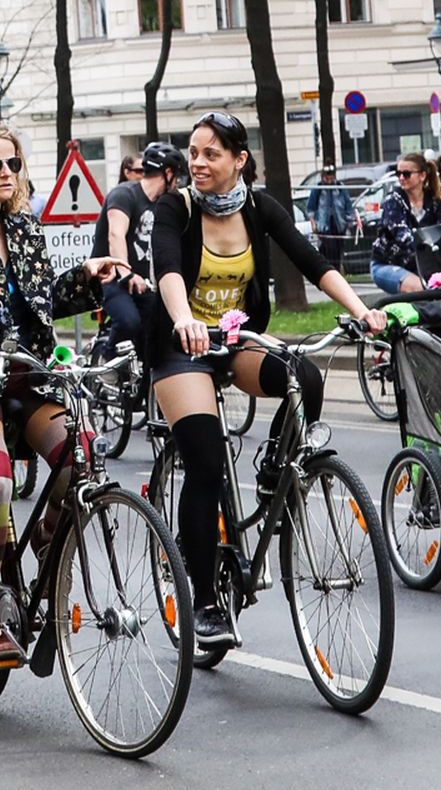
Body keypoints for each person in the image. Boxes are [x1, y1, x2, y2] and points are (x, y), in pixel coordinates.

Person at [152, 111, 387, 647]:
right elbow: (167, 266)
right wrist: (183, 318)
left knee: (305, 377)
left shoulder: (260, 209)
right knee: (207, 461)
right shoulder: (176, 207)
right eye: (194, 152)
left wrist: (361, 312)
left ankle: (275, 469)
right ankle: (206, 602)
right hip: (180, 347)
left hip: (235, 343)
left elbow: (313, 262)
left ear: (240, 161)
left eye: (212, 153)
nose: (198, 162)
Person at [0, 120, 125, 665]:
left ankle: (45, 537)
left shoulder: (27, 227)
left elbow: (40, 301)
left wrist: (86, 275)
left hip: (28, 373)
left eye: (13, 163)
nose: (7, 174)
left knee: (83, 455)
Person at [93, 141, 178, 354]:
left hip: (144, 283)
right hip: (110, 278)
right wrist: (126, 273)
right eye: (178, 176)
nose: (179, 183)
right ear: (167, 174)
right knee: (129, 321)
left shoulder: (163, 204)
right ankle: (108, 363)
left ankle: (145, 384)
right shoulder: (124, 194)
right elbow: (116, 235)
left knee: (158, 334)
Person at [369, 152, 441, 293]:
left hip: (425, 263)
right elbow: (402, 236)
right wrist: (430, 246)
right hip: (387, 264)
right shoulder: (393, 201)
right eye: (398, 173)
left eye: (406, 174)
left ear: (422, 175)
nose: (401, 178)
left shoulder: (434, 202)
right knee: (422, 288)